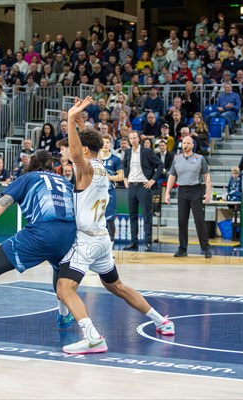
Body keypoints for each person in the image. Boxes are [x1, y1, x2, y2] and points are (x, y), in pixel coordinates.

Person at [55, 97, 175, 355]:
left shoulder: (84, 169)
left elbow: (76, 152)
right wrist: (78, 119)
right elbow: (86, 143)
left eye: (75, 147)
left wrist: (70, 120)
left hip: (86, 240)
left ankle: (93, 338)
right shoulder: (100, 166)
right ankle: (161, 321)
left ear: (85, 150)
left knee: (64, 288)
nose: (69, 150)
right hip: (102, 240)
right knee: (117, 286)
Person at [0, 150, 77, 347]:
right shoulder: (66, 183)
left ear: (31, 165)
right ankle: (64, 315)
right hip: (70, 234)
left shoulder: (28, 178)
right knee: (58, 264)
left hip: (42, 233)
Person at [163, 136, 212, 258]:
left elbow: (207, 176)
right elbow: (172, 176)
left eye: (188, 143)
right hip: (182, 190)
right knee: (182, 220)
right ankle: (182, 249)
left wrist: (208, 192)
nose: (185, 145)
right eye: (184, 143)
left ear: (192, 145)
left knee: (199, 220)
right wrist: (167, 192)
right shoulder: (177, 159)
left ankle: (206, 248)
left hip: (196, 190)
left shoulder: (200, 158)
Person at [123, 131, 164, 252]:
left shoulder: (147, 151)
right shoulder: (128, 152)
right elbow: (125, 166)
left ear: (138, 139)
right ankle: (133, 242)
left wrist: (152, 180)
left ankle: (148, 242)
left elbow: (160, 165)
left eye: (134, 138)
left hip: (144, 186)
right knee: (132, 215)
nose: (133, 140)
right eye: (131, 138)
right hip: (131, 186)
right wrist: (125, 178)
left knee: (147, 215)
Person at [99, 134, 123, 242]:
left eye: (107, 142)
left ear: (111, 144)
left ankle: (110, 247)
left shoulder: (115, 159)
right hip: (96, 193)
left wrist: (107, 177)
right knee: (96, 220)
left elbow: (121, 176)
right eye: (103, 142)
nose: (105, 145)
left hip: (109, 193)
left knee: (110, 219)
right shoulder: (94, 159)